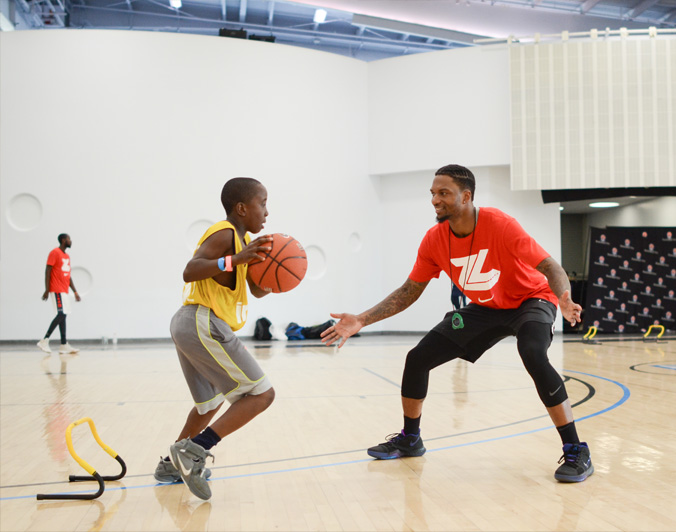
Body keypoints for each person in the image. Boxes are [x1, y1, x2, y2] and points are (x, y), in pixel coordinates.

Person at [321, 164, 592, 483]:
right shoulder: (435, 239)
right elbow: (410, 290)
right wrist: (362, 319)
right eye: (433, 193)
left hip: (531, 299)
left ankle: (576, 450)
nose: (435, 199)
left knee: (532, 351)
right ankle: (411, 439)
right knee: (418, 358)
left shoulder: (499, 224)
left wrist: (562, 295)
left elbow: (549, 265)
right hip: (486, 307)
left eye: (443, 193)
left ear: (467, 196)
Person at [153, 177, 275, 500]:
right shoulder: (225, 233)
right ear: (241, 208)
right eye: (262, 203)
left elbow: (257, 290)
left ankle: (170, 465)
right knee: (262, 394)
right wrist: (236, 259)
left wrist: (276, 271)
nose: (267, 211)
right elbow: (190, 270)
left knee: (209, 404)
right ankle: (195, 450)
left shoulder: (243, 244)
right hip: (201, 321)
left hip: (188, 322)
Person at [38, 234, 81, 354]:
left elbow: (68, 275)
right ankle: (44, 340)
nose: (70, 241)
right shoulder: (54, 252)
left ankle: (63, 345)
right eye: (69, 239)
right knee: (61, 314)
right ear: (63, 240)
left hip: (64, 290)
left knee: (64, 315)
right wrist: (47, 289)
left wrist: (75, 291)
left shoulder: (67, 256)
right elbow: (47, 271)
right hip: (56, 289)